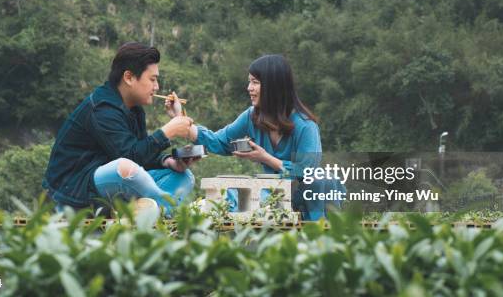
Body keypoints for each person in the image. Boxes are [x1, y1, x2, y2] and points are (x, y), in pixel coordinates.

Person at [42, 42, 196, 214]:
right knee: (125, 168)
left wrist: (167, 161)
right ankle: (164, 212)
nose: (157, 87)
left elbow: (140, 155)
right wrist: (167, 132)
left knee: (184, 177)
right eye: (152, 79)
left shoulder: (135, 109)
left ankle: (150, 211)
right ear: (129, 77)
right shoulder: (102, 108)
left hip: (106, 188)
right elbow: (129, 157)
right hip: (73, 191)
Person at [189, 54, 345, 220]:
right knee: (229, 200)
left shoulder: (305, 126)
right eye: (250, 82)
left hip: (304, 197)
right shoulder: (252, 117)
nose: (249, 88)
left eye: (255, 82)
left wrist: (266, 158)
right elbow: (220, 142)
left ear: (274, 87)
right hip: (274, 194)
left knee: (322, 180)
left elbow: (307, 171)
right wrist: (185, 126)